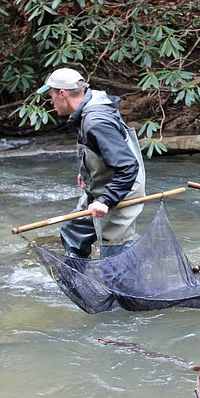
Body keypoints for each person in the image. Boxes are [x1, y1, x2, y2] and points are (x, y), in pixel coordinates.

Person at [37, 67, 146, 258]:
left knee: (115, 254)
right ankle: (78, 280)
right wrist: (87, 171)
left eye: (51, 96)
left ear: (62, 94)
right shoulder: (90, 105)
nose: (51, 102)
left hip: (121, 190)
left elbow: (128, 166)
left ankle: (121, 287)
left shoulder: (96, 121)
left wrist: (106, 200)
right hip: (102, 185)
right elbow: (102, 150)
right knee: (74, 231)